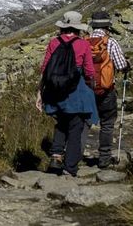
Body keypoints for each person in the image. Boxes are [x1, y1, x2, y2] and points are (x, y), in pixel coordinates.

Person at [36, 11, 99, 177]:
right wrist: (92, 88)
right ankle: (69, 167)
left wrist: (39, 93)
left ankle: (56, 158)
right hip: (75, 91)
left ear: (63, 26)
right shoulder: (83, 44)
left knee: (61, 123)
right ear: (78, 28)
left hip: (55, 91)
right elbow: (89, 71)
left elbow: (44, 69)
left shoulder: (53, 43)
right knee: (75, 128)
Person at [87, 10, 130, 168]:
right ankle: (104, 157)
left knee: (84, 123)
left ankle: (74, 156)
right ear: (107, 26)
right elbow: (121, 65)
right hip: (106, 90)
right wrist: (127, 66)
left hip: (87, 89)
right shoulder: (110, 42)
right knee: (107, 123)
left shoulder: (84, 41)